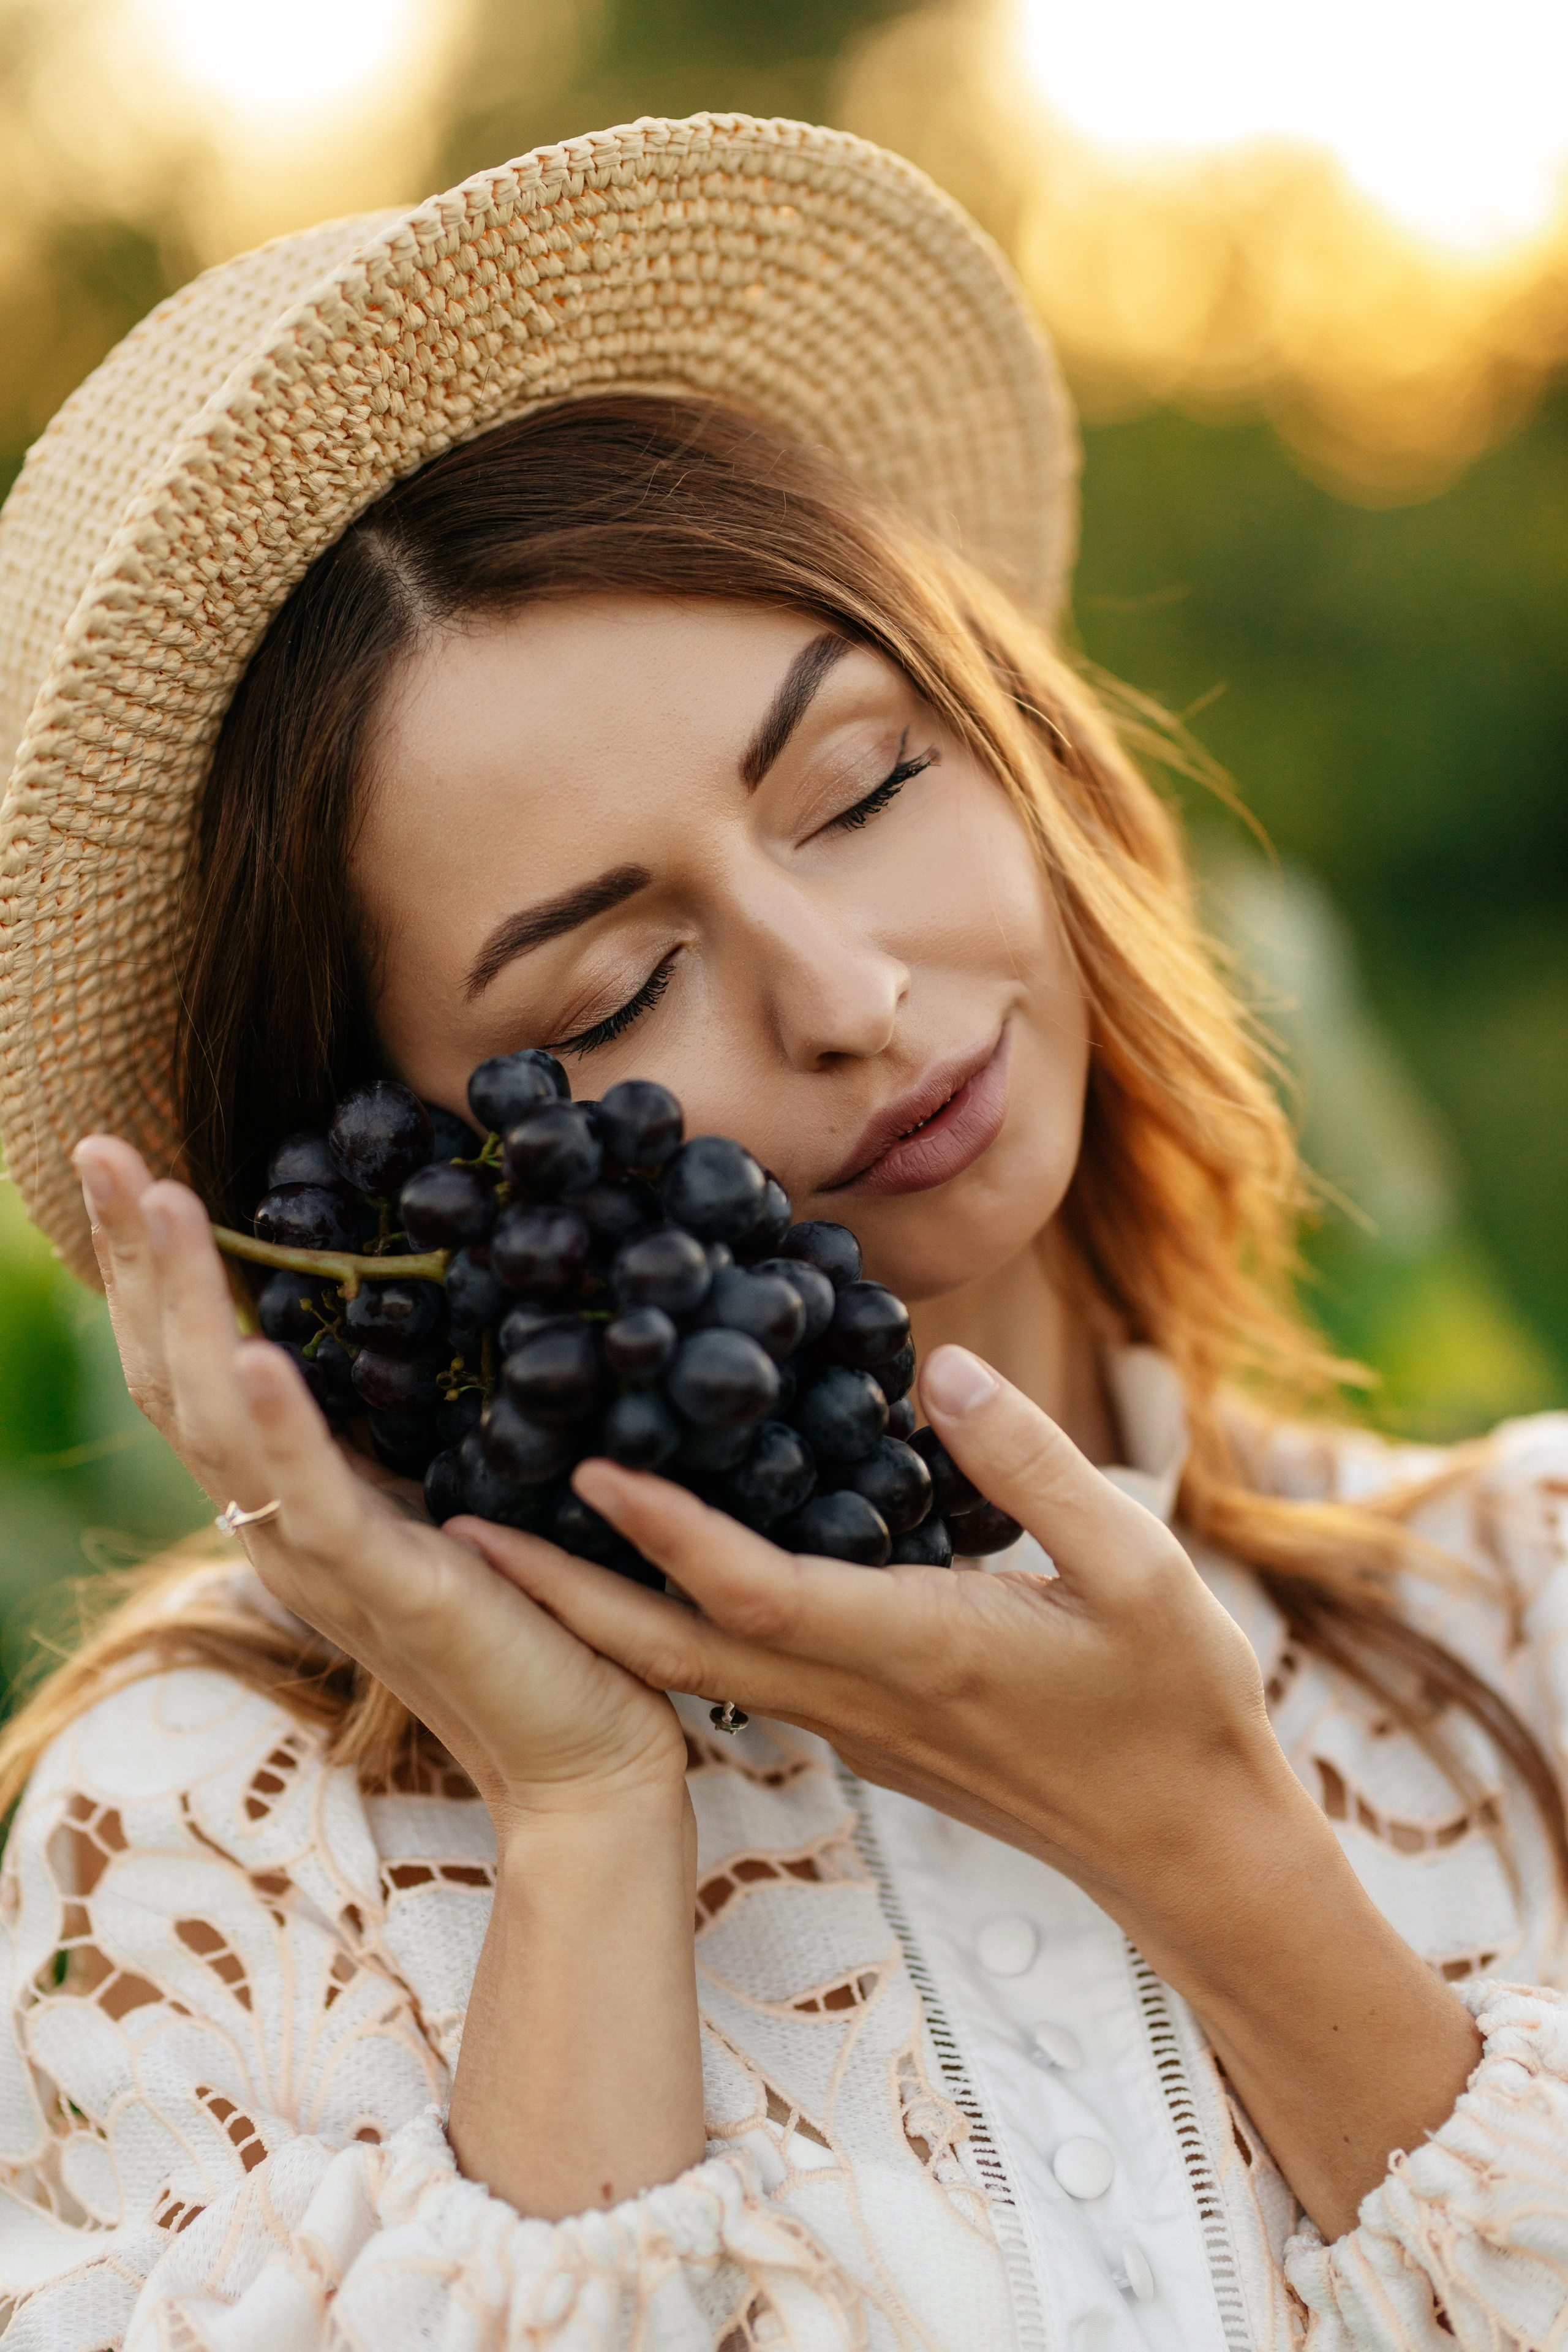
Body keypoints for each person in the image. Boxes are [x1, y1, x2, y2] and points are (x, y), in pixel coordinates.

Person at [0, 113, 1562, 2352]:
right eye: (610, 994)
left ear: (1013, 741)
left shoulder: (1526, 1606)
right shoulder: (208, 1838)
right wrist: (580, 1811)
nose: (849, 997)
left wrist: (1213, 1850)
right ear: (413, 1175)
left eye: (863, 786)